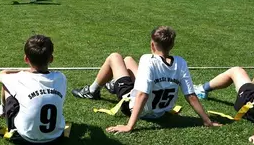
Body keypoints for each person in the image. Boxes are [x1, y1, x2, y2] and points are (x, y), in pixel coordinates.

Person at [71, 26, 220, 133]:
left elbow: (143, 94)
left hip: (135, 107)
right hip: (160, 111)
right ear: (172, 45)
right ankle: (114, 84)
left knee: (114, 57)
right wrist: (207, 121)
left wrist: (130, 126)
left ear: (152, 44)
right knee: (128, 60)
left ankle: (92, 91)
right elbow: (191, 95)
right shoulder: (181, 62)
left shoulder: (148, 60)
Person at [0, 35, 66, 145]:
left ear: (26, 59)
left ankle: (3, 110)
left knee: (6, 85)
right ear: (51, 59)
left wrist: (24, 70)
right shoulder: (61, 77)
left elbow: (0, 74)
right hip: (56, 136)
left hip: (25, 136)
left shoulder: (20, 78)